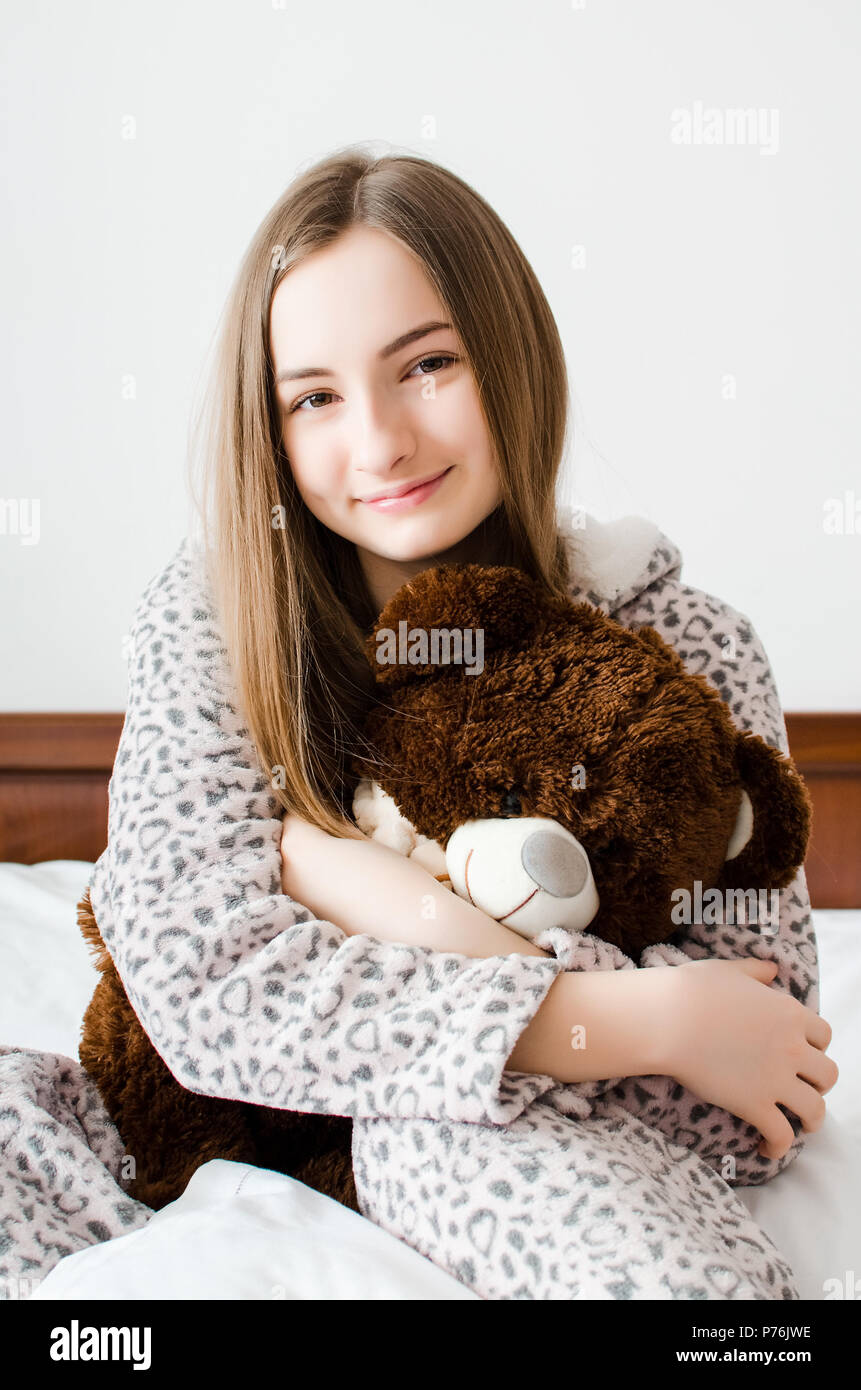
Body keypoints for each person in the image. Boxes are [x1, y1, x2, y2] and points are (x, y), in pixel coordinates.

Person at [90, 145, 837, 1300]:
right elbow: (204, 989)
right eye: (316, 398)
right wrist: (634, 1013)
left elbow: (757, 1077)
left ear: (511, 354)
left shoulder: (684, 642)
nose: (380, 441)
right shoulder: (220, 623)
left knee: (438, 1130)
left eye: (428, 363)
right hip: (220, 1141)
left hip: (532, 1171)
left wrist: (355, 890)